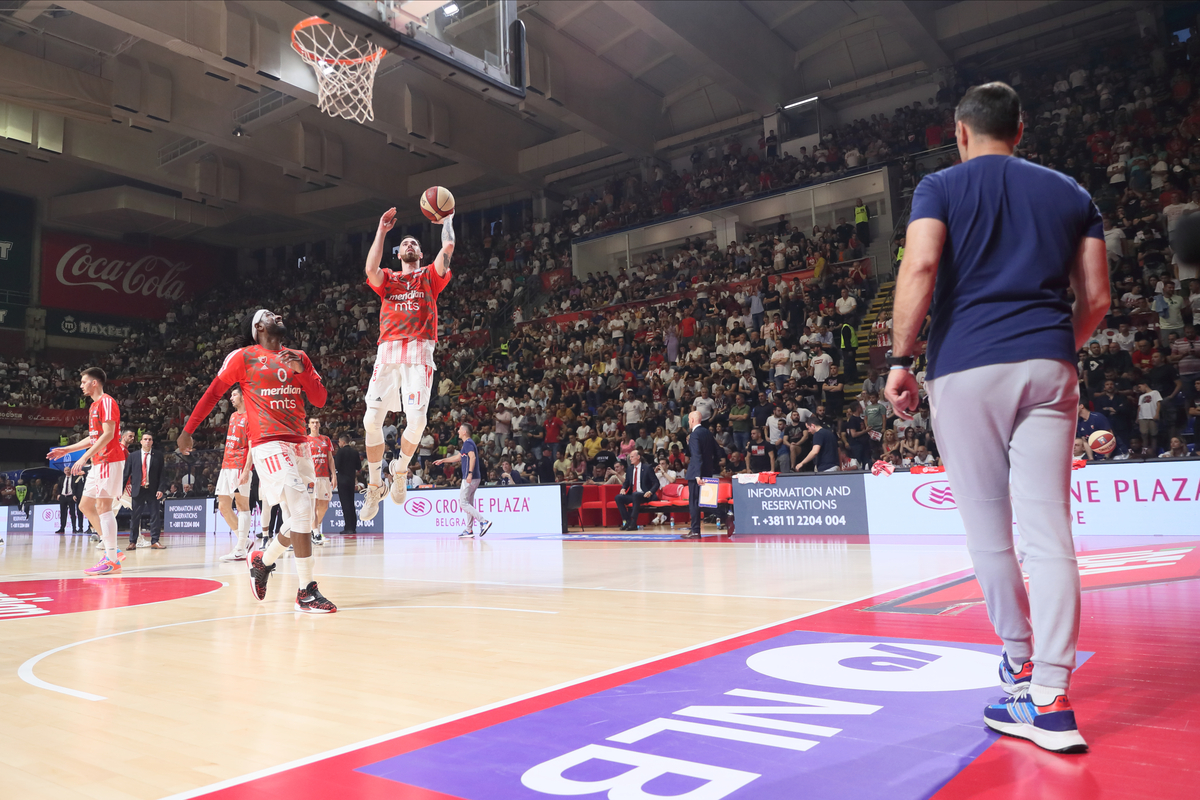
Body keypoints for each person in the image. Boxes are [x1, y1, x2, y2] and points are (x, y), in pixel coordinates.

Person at [884, 82, 1107, 753]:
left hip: (966, 367)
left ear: (959, 132)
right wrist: (1055, 343)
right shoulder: (1072, 193)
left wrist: (899, 356)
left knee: (990, 531)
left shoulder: (939, 188)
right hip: (1049, 363)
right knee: (1050, 532)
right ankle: (1052, 699)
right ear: (1021, 127)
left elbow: (921, 265)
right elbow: (1094, 297)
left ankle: (1016, 662)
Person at [178, 309, 335, 614]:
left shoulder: (299, 355)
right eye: (270, 314)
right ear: (259, 327)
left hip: (298, 442)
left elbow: (319, 399)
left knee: (300, 519)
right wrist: (188, 430)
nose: (278, 315)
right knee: (303, 510)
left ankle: (263, 560)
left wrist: (302, 369)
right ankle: (306, 591)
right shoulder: (244, 357)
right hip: (268, 442)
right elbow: (212, 394)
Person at [360, 206, 455, 522]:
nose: (410, 246)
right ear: (398, 252)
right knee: (370, 422)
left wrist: (448, 219)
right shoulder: (388, 278)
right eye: (406, 244)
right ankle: (376, 484)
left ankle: (399, 470)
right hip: (388, 352)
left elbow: (449, 248)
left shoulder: (430, 275)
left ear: (420, 252)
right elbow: (370, 267)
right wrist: (382, 231)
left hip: (418, 352)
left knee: (418, 422)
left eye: (415, 243)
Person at [47, 367, 126, 575]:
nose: (81, 386)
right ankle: (113, 550)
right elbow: (93, 438)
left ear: (94, 383)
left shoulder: (107, 402)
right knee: (85, 505)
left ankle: (111, 560)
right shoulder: (92, 407)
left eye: (83, 382)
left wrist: (83, 457)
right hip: (99, 462)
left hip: (110, 460)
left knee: (103, 505)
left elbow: (108, 435)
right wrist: (69, 449)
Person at [215, 386, 254, 561]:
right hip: (226, 465)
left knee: (242, 506)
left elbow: (253, 446)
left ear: (244, 396)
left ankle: (240, 549)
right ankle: (244, 541)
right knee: (223, 505)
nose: (231, 398)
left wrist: (246, 470)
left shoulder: (251, 418)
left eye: (234, 394)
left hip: (240, 465)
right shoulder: (232, 416)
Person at [434, 423, 492, 538]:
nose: (458, 431)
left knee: (463, 503)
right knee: (469, 503)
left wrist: (469, 473)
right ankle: (469, 530)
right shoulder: (467, 444)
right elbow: (458, 457)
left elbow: (473, 457)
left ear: (464, 432)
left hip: (470, 477)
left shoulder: (468, 443)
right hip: (475, 477)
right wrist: (443, 460)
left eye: (460, 429)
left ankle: (483, 521)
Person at [124, 432, 166, 549]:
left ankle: (155, 541)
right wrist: (120, 489)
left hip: (153, 490)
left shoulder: (158, 455)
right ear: (141, 441)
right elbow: (126, 474)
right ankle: (132, 542)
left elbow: (162, 474)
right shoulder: (133, 456)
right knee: (135, 517)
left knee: (155, 516)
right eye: (145, 439)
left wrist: (161, 489)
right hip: (138, 490)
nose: (147, 441)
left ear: (152, 442)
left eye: (150, 439)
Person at [683, 410, 718, 539]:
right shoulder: (707, 433)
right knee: (708, 501)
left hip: (696, 475)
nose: (688, 423)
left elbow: (696, 455)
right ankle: (726, 516)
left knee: (694, 502)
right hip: (708, 472)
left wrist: (697, 474)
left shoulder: (694, 435)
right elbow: (717, 450)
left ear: (692, 420)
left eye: (688, 420)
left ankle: (695, 531)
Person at [307, 417, 335, 547]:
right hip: (311, 477)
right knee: (313, 505)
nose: (315, 424)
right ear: (308, 425)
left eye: (317, 422)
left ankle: (314, 529)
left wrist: (334, 475)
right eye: (312, 422)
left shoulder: (326, 439)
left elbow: (330, 458)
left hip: (324, 476)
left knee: (324, 506)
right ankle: (316, 532)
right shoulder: (305, 440)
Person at [616, 449, 657, 531]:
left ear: (638, 457)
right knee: (618, 497)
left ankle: (633, 523)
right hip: (634, 494)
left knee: (636, 495)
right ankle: (628, 521)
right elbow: (626, 482)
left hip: (645, 494)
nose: (630, 459)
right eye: (629, 457)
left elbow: (656, 483)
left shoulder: (647, 468)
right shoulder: (630, 469)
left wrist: (650, 492)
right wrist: (623, 488)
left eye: (632, 457)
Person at [334, 435, 361, 533]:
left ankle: (348, 528)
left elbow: (337, 466)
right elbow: (358, 466)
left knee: (345, 504)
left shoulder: (340, 452)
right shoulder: (355, 452)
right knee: (351, 503)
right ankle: (353, 527)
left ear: (342, 442)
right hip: (351, 481)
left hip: (342, 480)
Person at [55, 469, 83, 535]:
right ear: (64, 471)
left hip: (71, 497)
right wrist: (58, 494)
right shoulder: (61, 478)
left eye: (68, 470)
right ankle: (62, 528)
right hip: (63, 496)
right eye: (65, 470)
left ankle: (74, 528)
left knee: (72, 513)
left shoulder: (74, 478)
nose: (67, 471)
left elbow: (76, 487)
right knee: (63, 513)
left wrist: (74, 495)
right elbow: (59, 487)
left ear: (70, 471)